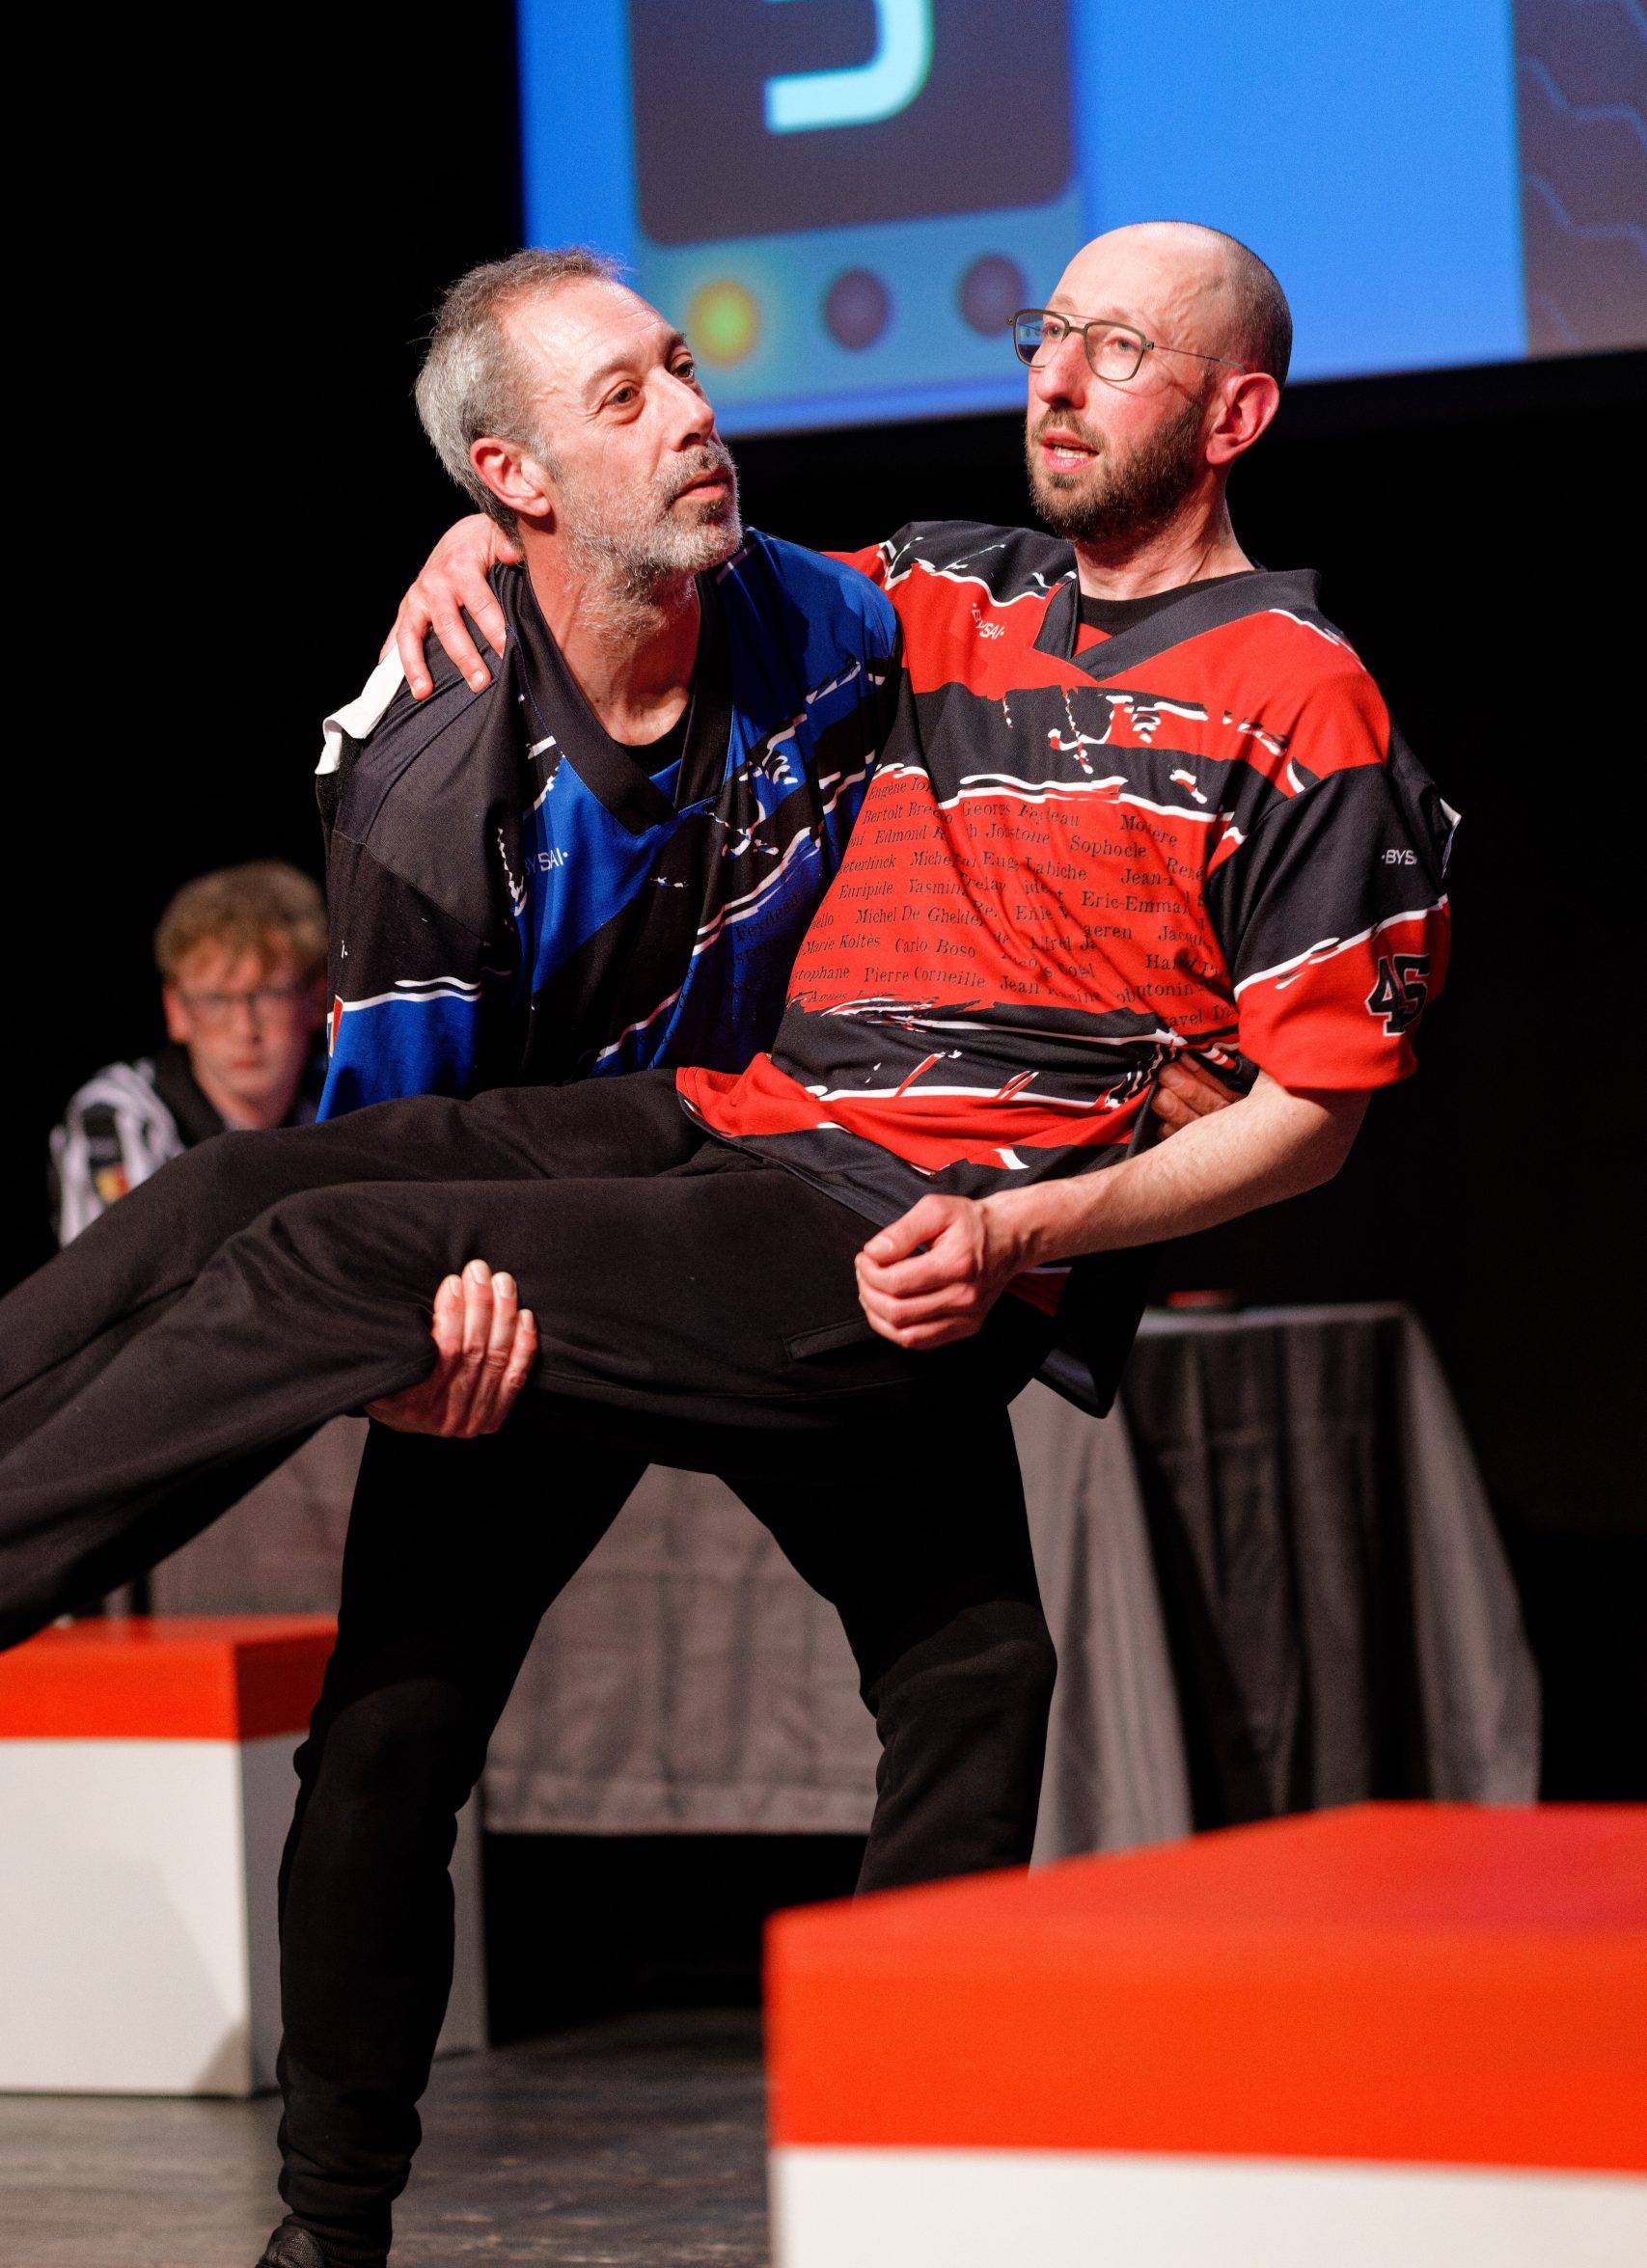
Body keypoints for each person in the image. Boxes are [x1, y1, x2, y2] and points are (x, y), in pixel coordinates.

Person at [0, 222, 1450, 2268]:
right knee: (275, 1245)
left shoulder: (1300, 694)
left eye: (1118, 351)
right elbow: (643, 553)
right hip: (717, 1136)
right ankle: (338, 2232)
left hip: (879, 1235)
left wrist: (1026, 1223)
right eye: (1048, 333)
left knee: (343, 1273)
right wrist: (492, 548)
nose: (1054, 378)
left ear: (1234, 414)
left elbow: (1317, 1109)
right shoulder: (929, 595)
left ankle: (891, 2184)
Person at [49, 861, 327, 1242]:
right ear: (177, 1010)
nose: (245, 1029)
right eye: (215, 1000)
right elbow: (132, 1275)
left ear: (316, 999)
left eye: (270, 995)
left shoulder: (350, 1097)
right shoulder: (121, 1114)